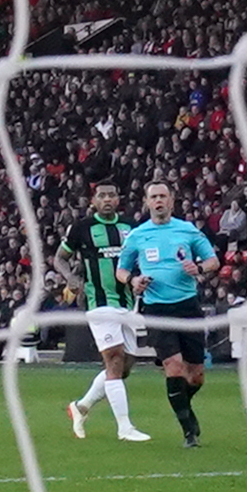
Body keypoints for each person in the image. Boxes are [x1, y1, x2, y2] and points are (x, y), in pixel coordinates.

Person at [118, 180, 219, 447]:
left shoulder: (187, 230)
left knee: (195, 375)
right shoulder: (138, 235)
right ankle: (189, 431)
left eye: (163, 196)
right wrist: (133, 281)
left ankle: (185, 408)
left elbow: (213, 261)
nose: (159, 201)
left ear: (172, 201)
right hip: (156, 309)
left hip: (187, 307)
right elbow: (121, 270)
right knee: (173, 367)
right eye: (154, 197)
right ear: (147, 202)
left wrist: (199, 268)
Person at [56, 179, 151, 441]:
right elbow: (59, 258)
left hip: (129, 303)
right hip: (98, 302)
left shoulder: (131, 227)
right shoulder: (82, 228)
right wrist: (71, 279)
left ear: (118, 199)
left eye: (112, 195)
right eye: (102, 196)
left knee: (125, 367)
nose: (107, 199)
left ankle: (81, 406)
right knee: (114, 360)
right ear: (93, 201)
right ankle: (125, 427)